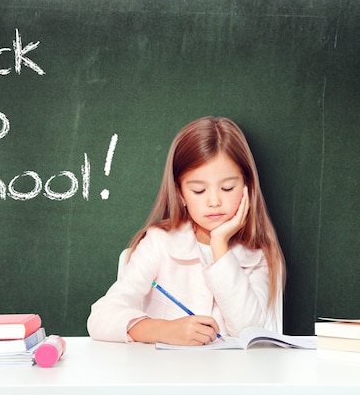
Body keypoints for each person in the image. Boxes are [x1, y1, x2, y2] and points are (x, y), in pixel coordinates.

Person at [87, 116, 285, 345]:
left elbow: (250, 332)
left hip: (231, 378)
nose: (214, 201)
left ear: (247, 188)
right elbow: (101, 317)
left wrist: (219, 244)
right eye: (199, 191)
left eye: (228, 188)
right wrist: (163, 330)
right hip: (164, 377)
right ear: (180, 192)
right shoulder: (159, 243)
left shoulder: (257, 254)